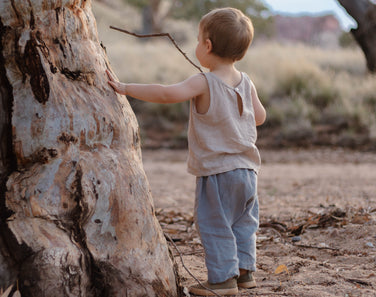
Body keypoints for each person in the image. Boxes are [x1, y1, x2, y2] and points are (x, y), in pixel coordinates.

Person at [107, 7, 266, 296]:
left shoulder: (204, 82)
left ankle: (222, 280)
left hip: (218, 173)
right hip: (249, 172)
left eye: (197, 39)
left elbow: (167, 93)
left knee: (214, 224)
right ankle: (244, 272)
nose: (196, 45)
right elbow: (260, 117)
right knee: (243, 223)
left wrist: (126, 87)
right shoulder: (247, 81)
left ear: (207, 46)